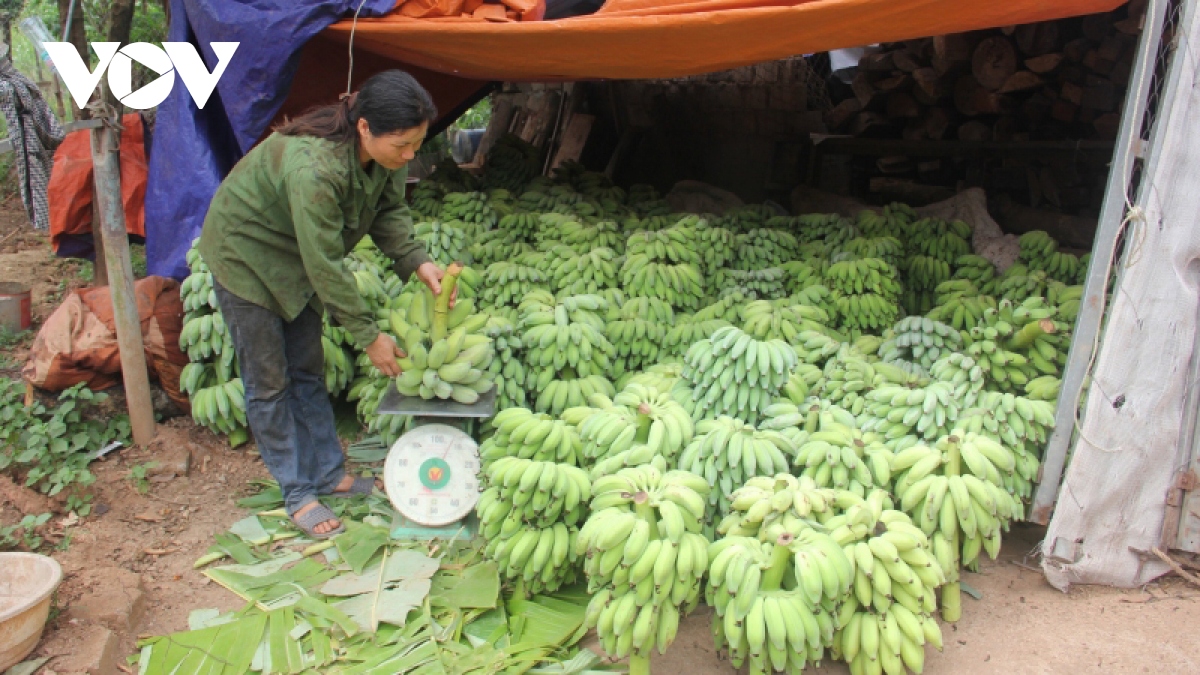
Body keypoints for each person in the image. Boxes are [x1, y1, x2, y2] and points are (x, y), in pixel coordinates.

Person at [198, 70, 446, 539]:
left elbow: (389, 211)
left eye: (417, 144)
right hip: (246, 256)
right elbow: (327, 265)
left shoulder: (384, 159)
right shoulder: (314, 169)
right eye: (403, 144)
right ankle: (297, 492)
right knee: (270, 382)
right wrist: (369, 337)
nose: (410, 154)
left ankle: (331, 475)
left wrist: (416, 260)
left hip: (297, 257)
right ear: (365, 127)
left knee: (307, 369)